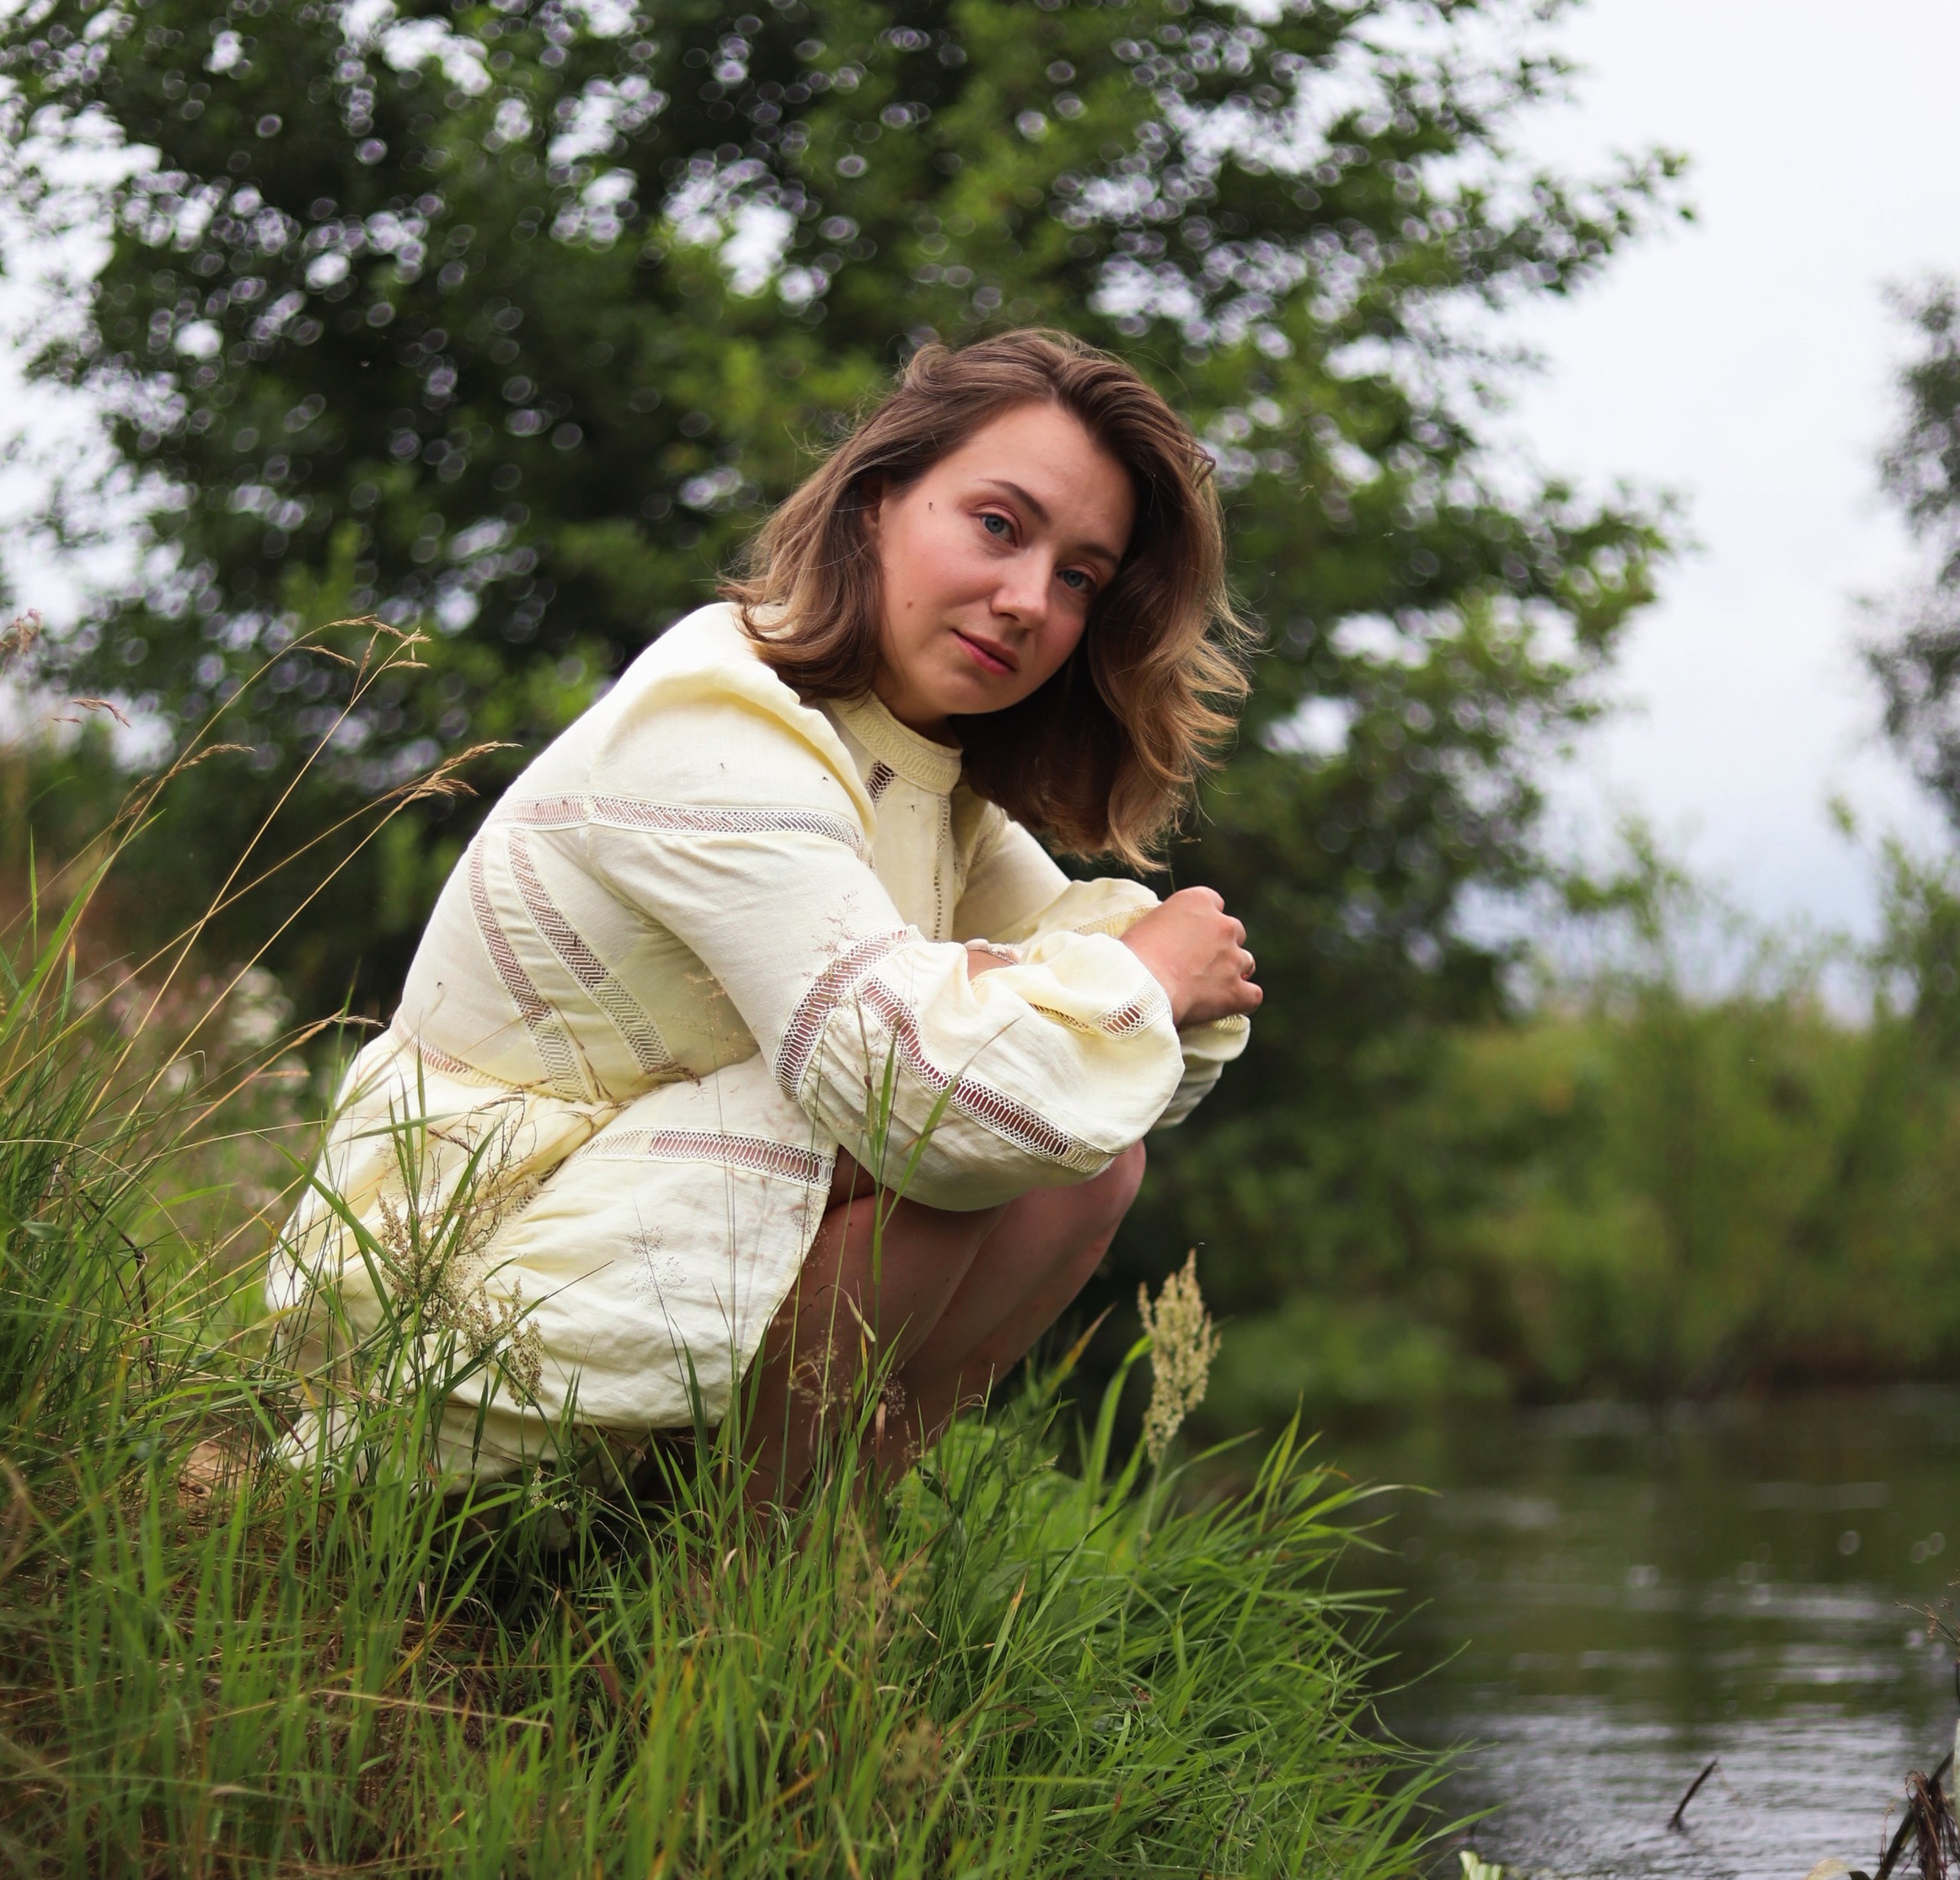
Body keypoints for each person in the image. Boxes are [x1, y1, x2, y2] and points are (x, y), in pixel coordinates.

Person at [271, 329, 1261, 1504]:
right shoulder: (722, 724)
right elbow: (924, 1097)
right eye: (999, 525)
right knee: (938, 1124)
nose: (1027, 601)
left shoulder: (931, 783)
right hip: (432, 1322)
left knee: (1083, 1160)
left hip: (616, 1258)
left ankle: (804, 1541)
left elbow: (1136, 1072)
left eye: (1081, 577)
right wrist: (1125, 984)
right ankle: (743, 1569)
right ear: (875, 503)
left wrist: (1082, 1001)